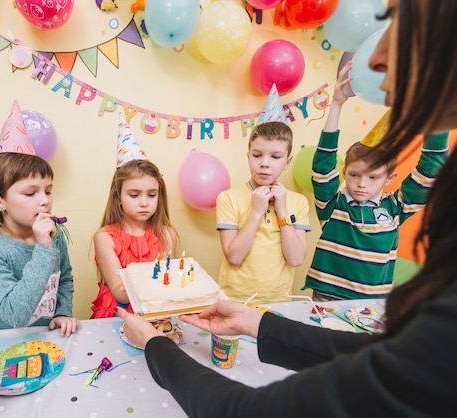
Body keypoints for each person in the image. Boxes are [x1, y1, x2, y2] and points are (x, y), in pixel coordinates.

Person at [118, 0, 457, 415]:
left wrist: (155, 345)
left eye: (395, 26)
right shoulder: (240, 199)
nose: (378, 55)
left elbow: (248, 408)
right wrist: (252, 321)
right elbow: (368, 350)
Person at [304, 60, 449, 301]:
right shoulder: (333, 205)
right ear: (344, 173)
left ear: (390, 178)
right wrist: (337, 105)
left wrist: (437, 112)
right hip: (327, 298)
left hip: (372, 306)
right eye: (354, 175)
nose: (362, 184)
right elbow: (323, 165)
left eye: (373, 177)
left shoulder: (395, 208)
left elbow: (431, 169)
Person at [0, 149, 79, 335]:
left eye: (49, 191)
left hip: (46, 337)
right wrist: (44, 249)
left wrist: (62, 312)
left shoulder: (55, 235)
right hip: (0, 340)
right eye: (30, 193)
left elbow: (64, 278)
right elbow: (14, 315)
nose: (45, 201)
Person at [90, 113, 177, 318]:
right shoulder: (105, 238)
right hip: (117, 316)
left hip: (156, 316)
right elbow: (121, 294)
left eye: (152, 194)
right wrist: (158, 283)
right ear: (118, 196)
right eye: (134, 195)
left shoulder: (167, 234)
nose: (144, 202)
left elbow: (168, 285)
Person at [216, 121, 311, 304]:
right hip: (235, 300)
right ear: (248, 157)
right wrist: (257, 212)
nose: (265, 164)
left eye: (275, 156)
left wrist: (282, 210)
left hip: (278, 300)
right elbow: (234, 257)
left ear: (287, 162)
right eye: (257, 155)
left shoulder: (298, 202)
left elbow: (296, 258)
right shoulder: (228, 198)